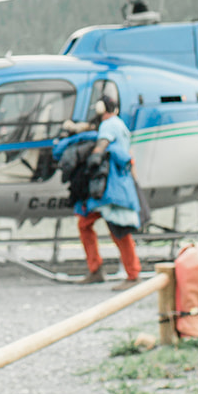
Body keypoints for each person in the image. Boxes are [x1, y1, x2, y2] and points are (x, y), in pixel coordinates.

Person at [72, 93, 143, 290]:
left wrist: (88, 165)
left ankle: (131, 274)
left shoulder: (109, 125)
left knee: (116, 228)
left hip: (108, 186)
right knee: (90, 224)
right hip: (115, 184)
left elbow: (101, 146)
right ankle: (100, 269)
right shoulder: (119, 124)